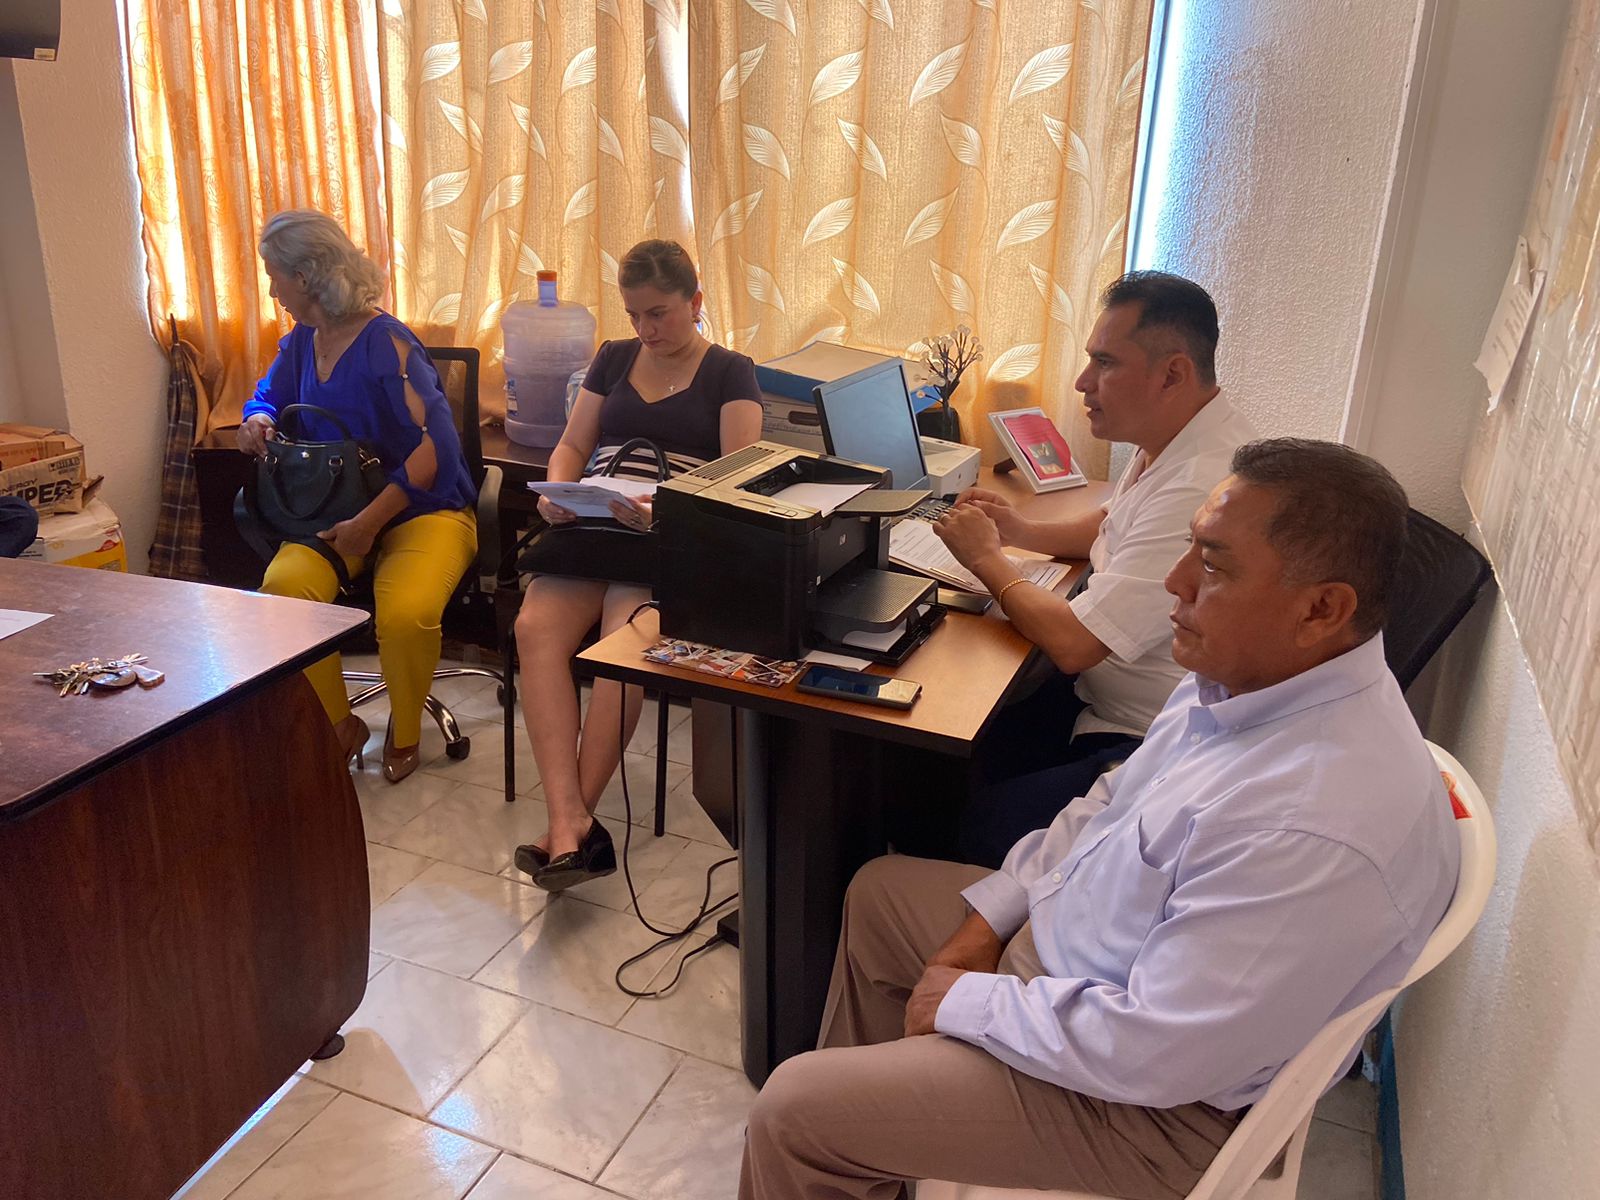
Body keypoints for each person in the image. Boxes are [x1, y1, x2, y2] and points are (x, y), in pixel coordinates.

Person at [740, 439, 1461, 1200]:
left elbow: (1161, 1049)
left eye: (1214, 566)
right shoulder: (1250, 681)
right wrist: (988, 922)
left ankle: (846, 1142)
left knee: (795, 1112)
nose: (1175, 582)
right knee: (882, 893)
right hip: (1085, 976)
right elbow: (1110, 805)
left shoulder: (1313, 823)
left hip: (1151, 1107)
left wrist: (967, 999)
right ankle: (876, 1153)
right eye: (1189, 547)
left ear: (1322, 609)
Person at [933, 271, 1258, 866]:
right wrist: (1020, 531)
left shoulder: (1198, 483)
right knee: (951, 742)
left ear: (1172, 374)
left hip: (1145, 740)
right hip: (1106, 701)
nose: (1084, 382)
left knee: (968, 805)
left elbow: (1076, 644)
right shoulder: (1180, 436)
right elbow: (1112, 523)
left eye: (1104, 363)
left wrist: (986, 559)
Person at [512, 240, 763, 893]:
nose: (645, 330)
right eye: (633, 315)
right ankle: (571, 823)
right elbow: (574, 443)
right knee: (534, 629)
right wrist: (555, 492)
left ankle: (570, 827)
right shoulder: (614, 358)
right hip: (594, 521)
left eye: (659, 314)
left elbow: (737, 479)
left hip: (667, 532)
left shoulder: (730, 372)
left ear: (695, 302)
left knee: (621, 647)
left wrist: (668, 510)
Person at [239, 209, 477, 784]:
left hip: (422, 507)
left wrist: (370, 523)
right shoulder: (303, 341)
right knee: (283, 591)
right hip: (334, 507)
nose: (272, 290)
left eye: (274, 276)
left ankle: (405, 728)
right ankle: (340, 725)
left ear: (305, 275)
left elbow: (437, 447)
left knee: (407, 613)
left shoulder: (387, 343)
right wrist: (258, 418)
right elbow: (266, 395)